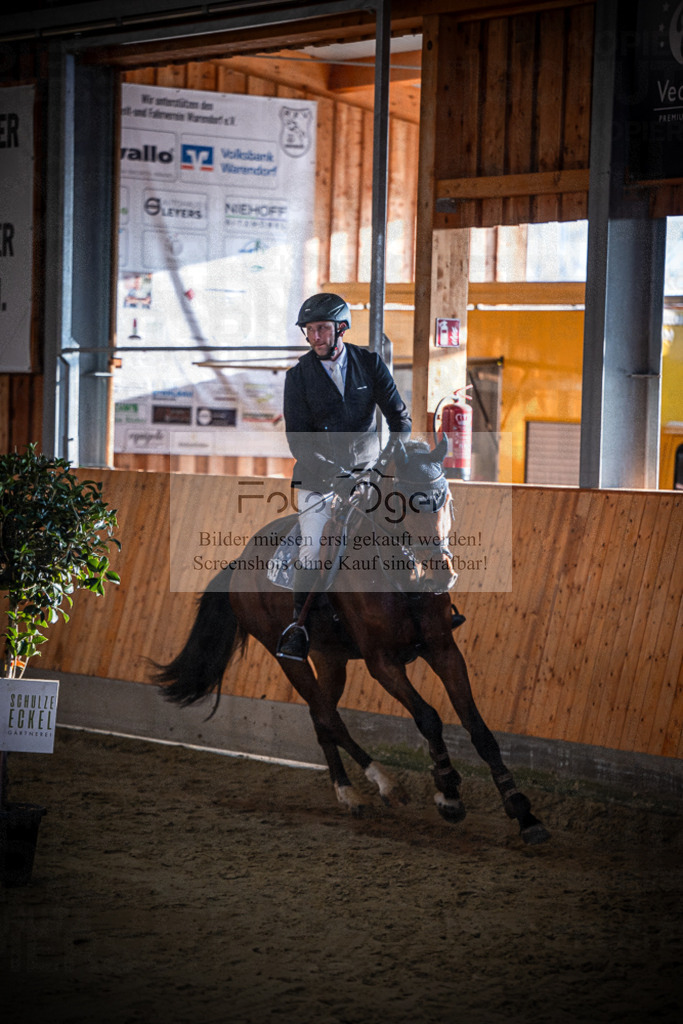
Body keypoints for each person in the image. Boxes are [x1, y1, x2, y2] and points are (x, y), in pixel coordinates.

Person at [276, 292, 412, 661]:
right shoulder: (298, 377)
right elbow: (298, 441)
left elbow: (400, 420)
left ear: (342, 329)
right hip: (318, 479)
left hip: (371, 473)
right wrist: (338, 478)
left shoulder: (369, 363)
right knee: (313, 546)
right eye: (309, 330)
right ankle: (298, 627)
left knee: (411, 528)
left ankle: (427, 608)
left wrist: (384, 465)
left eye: (322, 329)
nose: (315, 337)